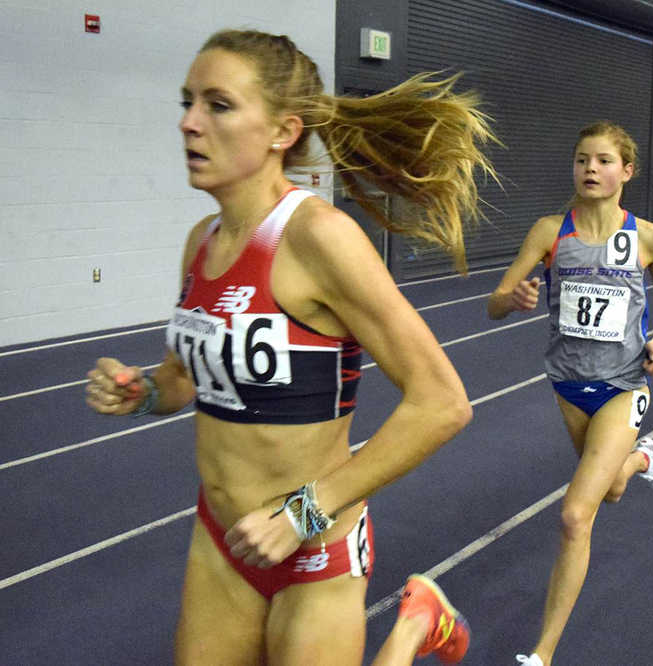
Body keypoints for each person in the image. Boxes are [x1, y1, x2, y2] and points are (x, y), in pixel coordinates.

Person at [84, 29, 498, 665]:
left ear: (283, 131)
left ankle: (415, 622)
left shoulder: (319, 239)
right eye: (186, 102)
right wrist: (142, 393)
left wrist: (304, 514)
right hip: (222, 541)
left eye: (217, 105)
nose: (189, 124)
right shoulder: (202, 240)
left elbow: (443, 403)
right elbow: (188, 378)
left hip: (315, 547)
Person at [487, 122, 653, 666]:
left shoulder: (649, 237)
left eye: (602, 160)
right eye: (580, 160)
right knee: (612, 489)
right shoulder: (550, 231)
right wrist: (514, 297)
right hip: (568, 383)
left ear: (626, 170)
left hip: (624, 384)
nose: (589, 170)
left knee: (575, 515)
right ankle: (642, 459)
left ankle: (541, 654)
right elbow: (494, 302)